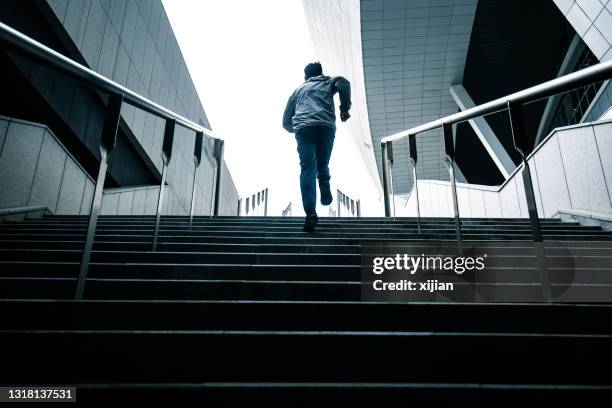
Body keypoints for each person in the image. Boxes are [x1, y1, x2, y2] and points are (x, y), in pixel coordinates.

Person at [282, 62, 351, 232]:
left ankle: (311, 212)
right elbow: (344, 83)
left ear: (305, 77)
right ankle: (324, 182)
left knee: (307, 168)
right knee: (323, 162)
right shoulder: (327, 81)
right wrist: (344, 109)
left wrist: (298, 129)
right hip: (325, 126)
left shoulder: (297, 91)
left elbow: (285, 123)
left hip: (304, 129)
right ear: (320, 73)